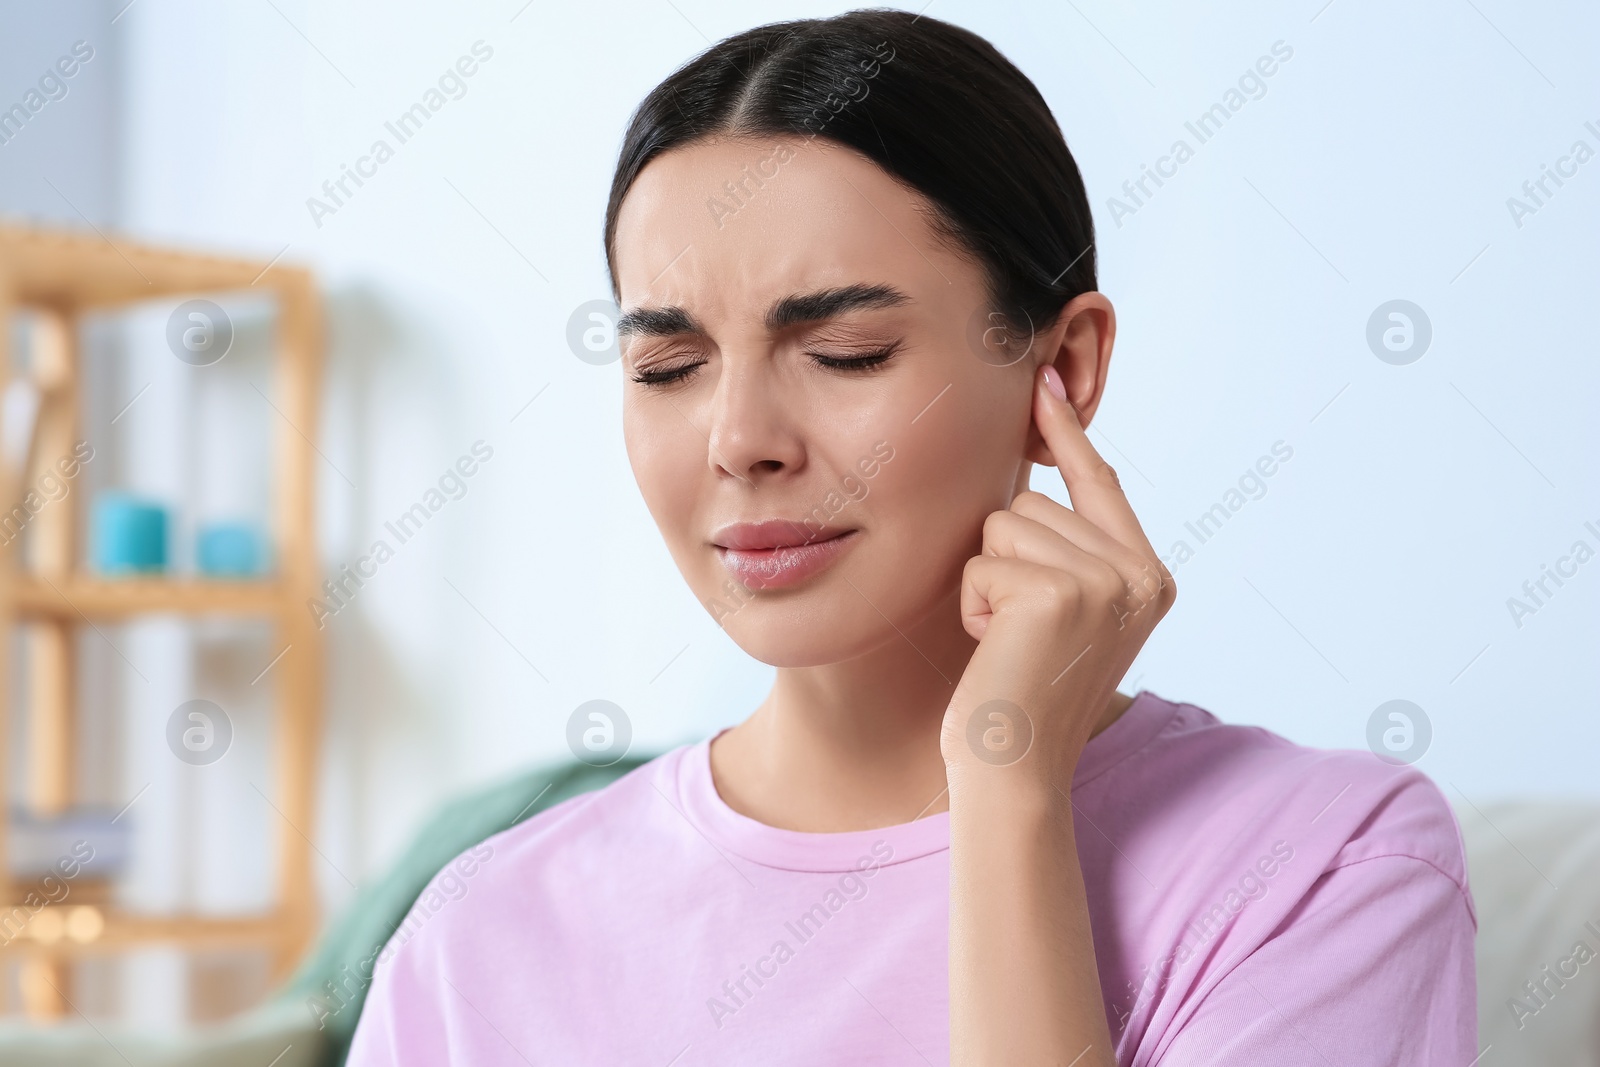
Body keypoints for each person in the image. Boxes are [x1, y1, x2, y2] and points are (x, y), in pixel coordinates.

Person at [346, 10, 1476, 1064]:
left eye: (844, 351)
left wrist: (1007, 785)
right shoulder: (475, 939)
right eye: (668, 369)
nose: (739, 440)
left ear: (1061, 369)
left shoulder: (1323, 866)